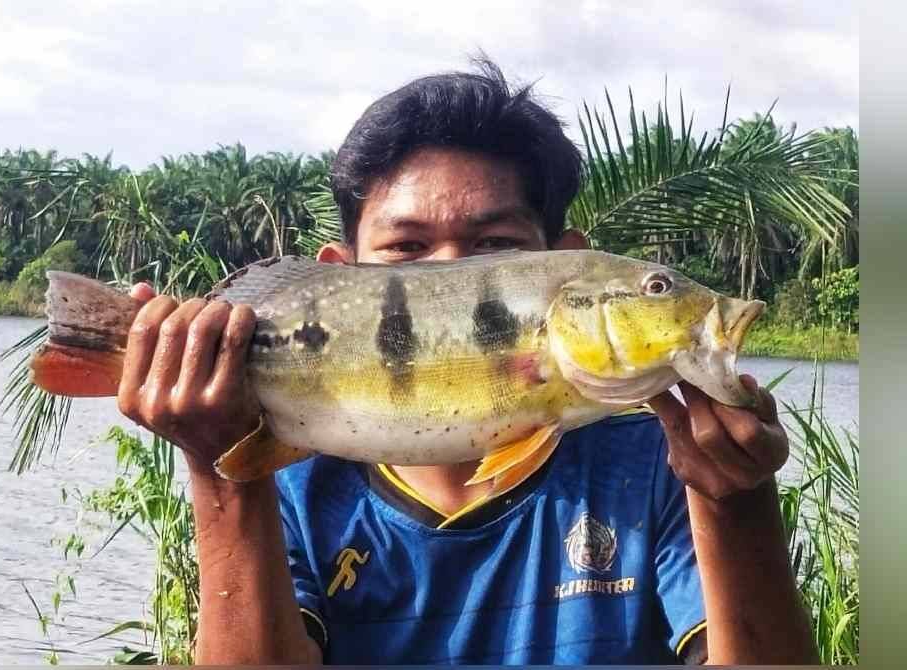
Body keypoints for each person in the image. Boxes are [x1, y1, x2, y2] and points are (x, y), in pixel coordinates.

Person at [116, 60, 816, 664]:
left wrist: (736, 501)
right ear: (337, 273)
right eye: (406, 247)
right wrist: (223, 467)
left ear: (564, 263)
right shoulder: (299, 489)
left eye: (496, 244)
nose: (448, 271)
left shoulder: (659, 469)